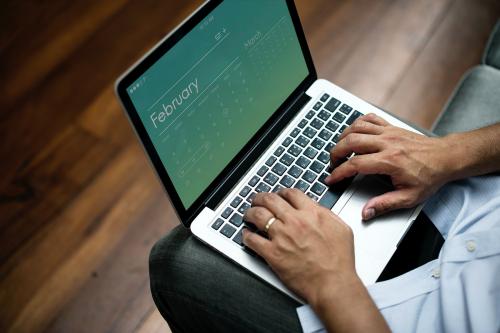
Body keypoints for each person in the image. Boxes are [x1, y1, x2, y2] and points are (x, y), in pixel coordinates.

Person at [149, 113, 500, 333]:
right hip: (475, 195)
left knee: (174, 260)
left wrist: (331, 283)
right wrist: (452, 152)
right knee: (350, 126)